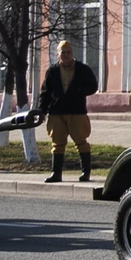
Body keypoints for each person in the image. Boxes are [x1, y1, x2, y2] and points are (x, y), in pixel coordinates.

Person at [37, 38, 101, 183]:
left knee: (81, 142)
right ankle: (56, 173)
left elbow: (93, 86)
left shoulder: (82, 69)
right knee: (57, 144)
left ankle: (85, 173)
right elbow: (45, 92)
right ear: (57, 54)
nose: (66, 55)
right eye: (63, 53)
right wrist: (42, 111)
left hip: (76, 111)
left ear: (72, 53)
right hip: (56, 112)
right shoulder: (52, 71)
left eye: (68, 52)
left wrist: (79, 91)